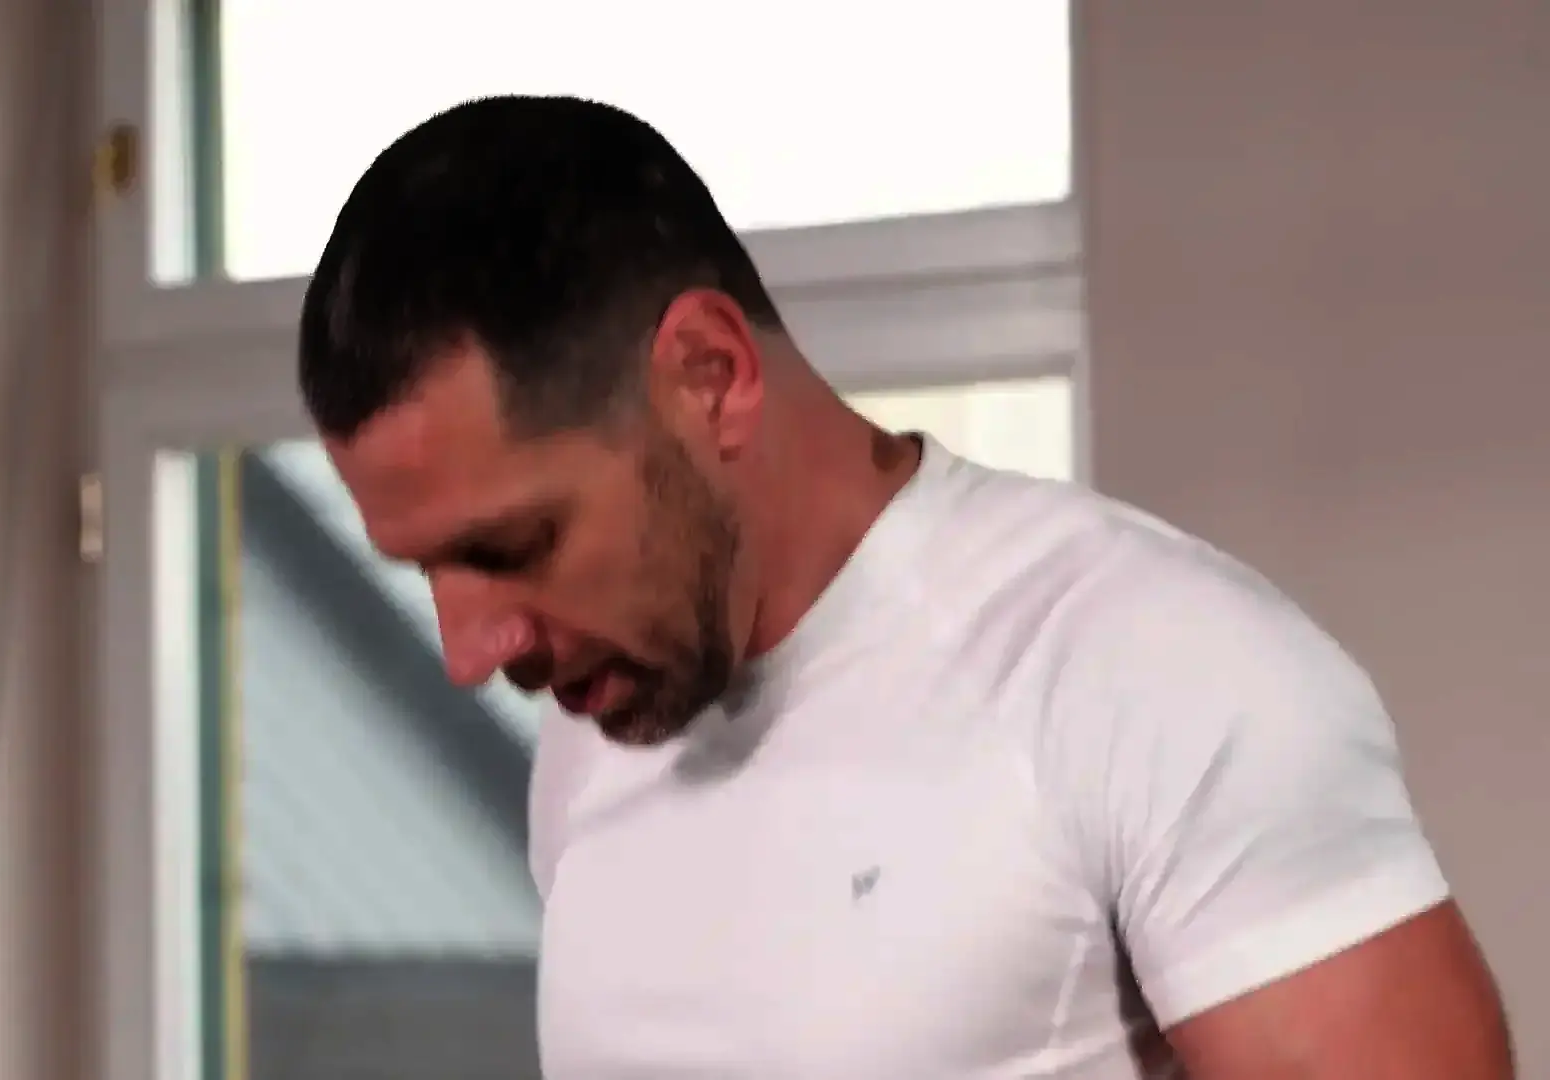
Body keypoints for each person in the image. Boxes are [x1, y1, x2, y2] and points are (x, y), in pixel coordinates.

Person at [296, 95, 1513, 1079]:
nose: (470, 651)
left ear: (710, 376)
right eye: (428, 568)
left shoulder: (1152, 672)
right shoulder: (599, 730)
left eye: (515, 546)